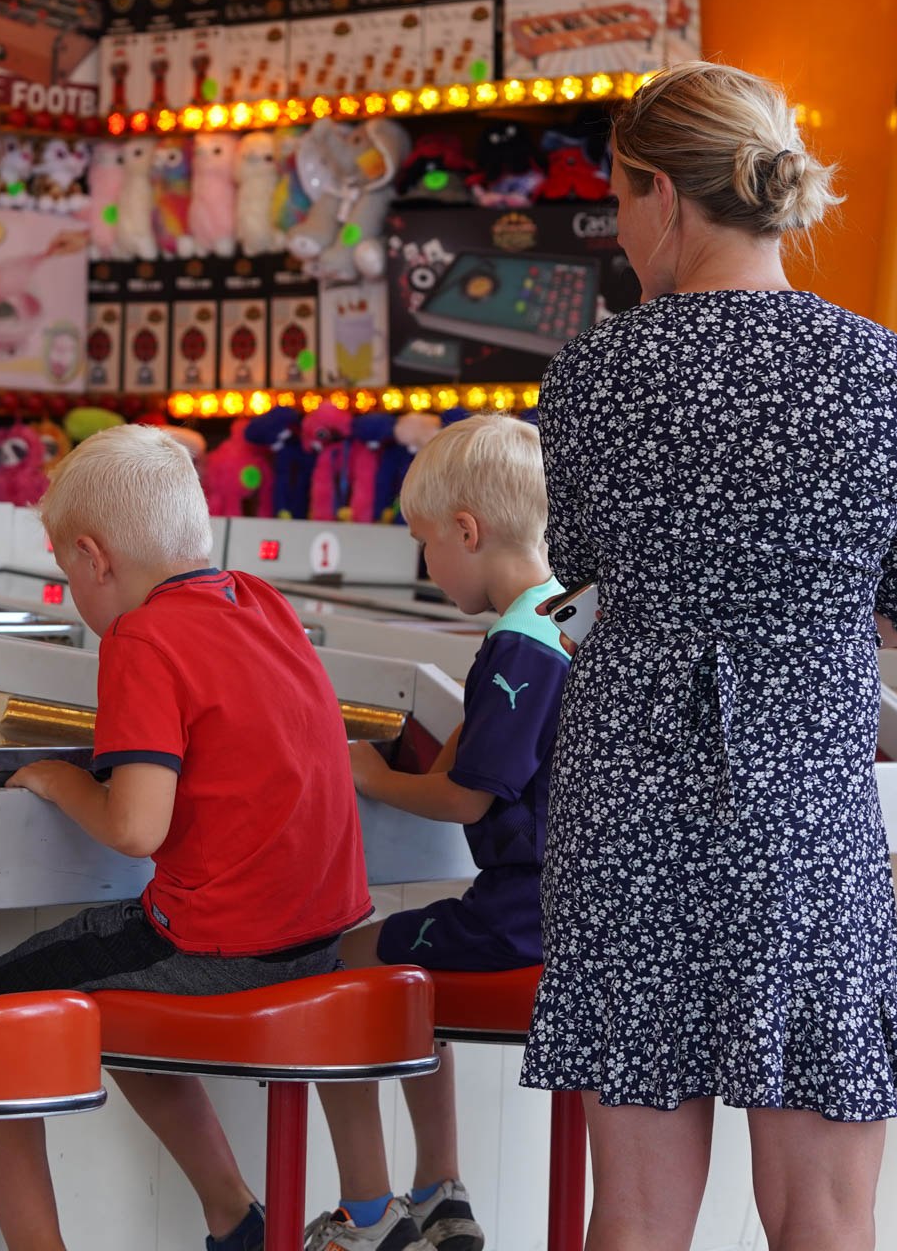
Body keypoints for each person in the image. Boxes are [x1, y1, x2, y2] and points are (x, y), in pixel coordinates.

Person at [523, 61, 897, 1251]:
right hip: (805, 801)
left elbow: (581, 570)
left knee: (637, 1214)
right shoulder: (886, 370)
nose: (619, 228)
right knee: (823, 1212)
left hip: (629, 802)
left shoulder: (593, 376)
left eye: (620, 195)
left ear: (665, 194)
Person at [0, 424, 373, 1251]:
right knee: (126, 1007)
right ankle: (233, 1218)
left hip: (220, 944)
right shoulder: (262, 601)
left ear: (94, 557)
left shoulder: (142, 637)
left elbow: (136, 827)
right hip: (318, 938)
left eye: (66, 573)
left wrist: (62, 781)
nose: (73, 592)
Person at [321, 415, 570, 1251]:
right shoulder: (569, 611)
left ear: (468, 531)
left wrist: (371, 776)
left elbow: (465, 798)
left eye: (424, 542)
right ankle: (439, 1190)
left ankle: (368, 1213)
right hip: (577, 905)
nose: (424, 563)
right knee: (410, 967)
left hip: (523, 916)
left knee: (342, 964)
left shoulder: (517, 645)